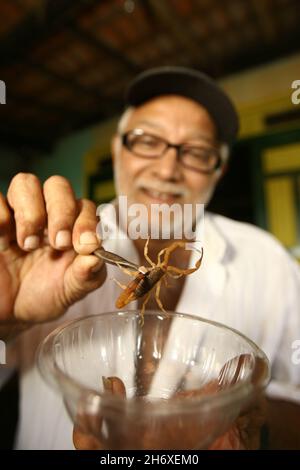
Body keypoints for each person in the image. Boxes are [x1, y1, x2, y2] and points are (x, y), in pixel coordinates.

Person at [0, 66, 299, 450]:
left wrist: (260, 423)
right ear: (116, 149)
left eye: (196, 151)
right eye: (146, 140)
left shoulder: (268, 261)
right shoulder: (45, 249)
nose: (167, 168)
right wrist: (6, 318)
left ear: (218, 169)